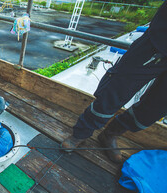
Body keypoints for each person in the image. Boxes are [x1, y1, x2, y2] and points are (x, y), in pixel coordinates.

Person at [61, 1, 167, 163]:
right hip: (159, 42)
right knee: (116, 90)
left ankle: (110, 134)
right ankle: (80, 134)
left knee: (156, 108)